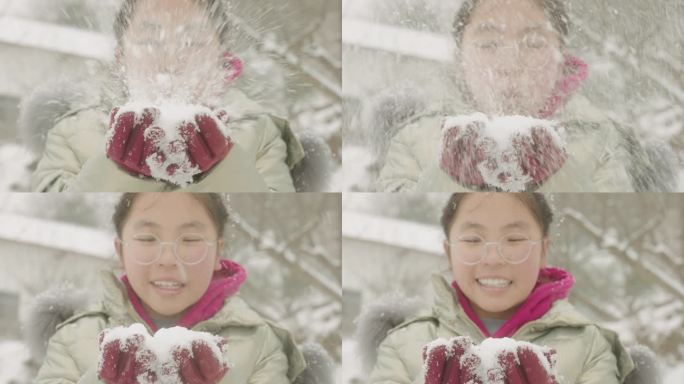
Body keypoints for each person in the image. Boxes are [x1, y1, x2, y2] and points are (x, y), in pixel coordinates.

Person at [31, 0, 305, 192]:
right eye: (149, 41)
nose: (171, 60)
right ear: (120, 59)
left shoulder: (261, 134)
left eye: (193, 42)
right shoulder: (70, 134)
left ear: (221, 58)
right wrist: (115, 172)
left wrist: (225, 170)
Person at [35, 193, 306, 383]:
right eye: (147, 238)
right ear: (121, 250)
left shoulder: (262, 345)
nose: (168, 260)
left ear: (217, 253)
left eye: (189, 239)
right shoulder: (72, 339)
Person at [377, 0, 645, 192]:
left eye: (534, 44)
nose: (510, 64)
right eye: (489, 44)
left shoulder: (606, 141)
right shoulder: (412, 140)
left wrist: (558, 169)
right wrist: (453, 171)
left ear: (561, 58)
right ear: (460, 59)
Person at [369, 193, 635, 383]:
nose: (494, 258)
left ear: (543, 249)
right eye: (473, 239)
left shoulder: (591, 347)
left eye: (514, 238)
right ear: (448, 252)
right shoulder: (401, 346)